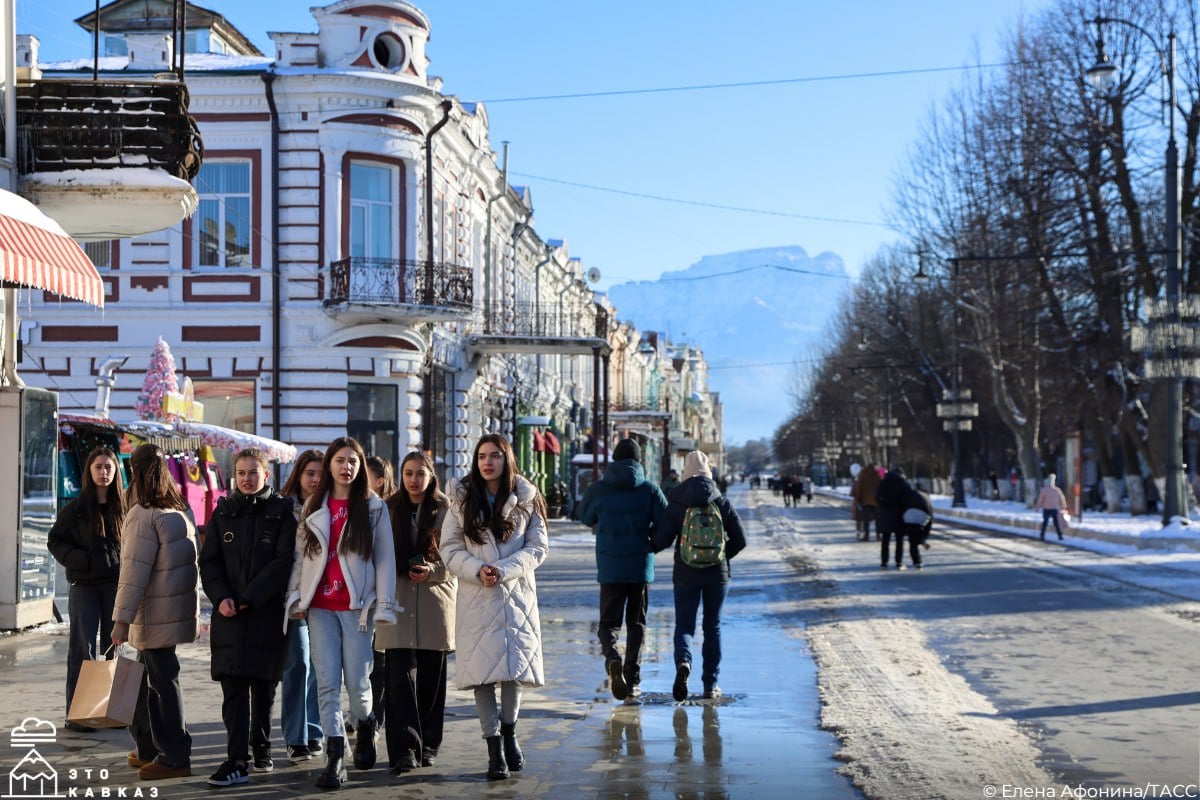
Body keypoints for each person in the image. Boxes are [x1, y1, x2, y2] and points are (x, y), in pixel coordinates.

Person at [286, 436, 397, 790]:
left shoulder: (374, 508)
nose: (346, 467)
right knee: (327, 684)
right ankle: (335, 757)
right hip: (319, 608)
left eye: (352, 461)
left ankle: (365, 724)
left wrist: (385, 604)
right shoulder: (313, 507)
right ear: (330, 464)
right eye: (340, 460)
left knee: (358, 686)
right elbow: (301, 558)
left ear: (359, 466)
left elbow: (384, 559)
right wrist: (295, 597)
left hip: (357, 610)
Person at [441, 434, 549, 781]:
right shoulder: (460, 498)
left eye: (495, 456)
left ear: (507, 459)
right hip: (476, 596)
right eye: (482, 455)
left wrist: (503, 570)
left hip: (515, 594)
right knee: (482, 677)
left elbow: (538, 548)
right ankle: (492, 748)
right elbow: (449, 547)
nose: (488, 462)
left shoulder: (527, 498)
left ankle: (510, 732)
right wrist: (476, 569)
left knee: (514, 670)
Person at [199, 448, 297, 787]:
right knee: (234, 689)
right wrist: (221, 597)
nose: (246, 478)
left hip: (265, 614)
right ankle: (237, 758)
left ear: (266, 475)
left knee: (263, 687)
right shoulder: (224, 512)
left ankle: (262, 747)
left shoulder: (283, 512)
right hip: (229, 615)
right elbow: (209, 561)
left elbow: (283, 563)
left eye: (253, 472)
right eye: (241, 472)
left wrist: (248, 597)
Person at [111, 443, 200, 781]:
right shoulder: (178, 512)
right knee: (150, 681)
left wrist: (121, 622)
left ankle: (174, 756)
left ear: (132, 472)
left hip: (152, 616)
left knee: (161, 683)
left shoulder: (142, 514)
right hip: (172, 613)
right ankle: (150, 748)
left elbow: (133, 574)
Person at [375, 451, 454, 774]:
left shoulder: (446, 509)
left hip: (435, 601)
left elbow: (456, 554)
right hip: (397, 600)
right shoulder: (388, 508)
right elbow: (377, 552)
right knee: (398, 680)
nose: (413, 479)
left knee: (432, 681)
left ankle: (429, 744)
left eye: (419, 473)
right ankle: (404, 749)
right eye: (408, 473)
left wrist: (433, 570)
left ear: (430, 475)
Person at [652, 450, 746, 702]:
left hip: (685, 571)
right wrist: (722, 556)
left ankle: (684, 663)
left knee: (684, 625)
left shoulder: (677, 501)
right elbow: (741, 539)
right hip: (717, 574)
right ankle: (710, 685)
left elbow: (660, 540)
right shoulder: (720, 500)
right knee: (712, 627)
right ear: (709, 472)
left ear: (685, 471)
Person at [578, 438, 668, 702]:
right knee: (636, 623)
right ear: (639, 461)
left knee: (608, 623)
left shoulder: (599, 490)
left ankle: (613, 658)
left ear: (614, 460)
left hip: (610, 565)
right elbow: (667, 524)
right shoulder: (650, 490)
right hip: (640, 566)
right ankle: (633, 679)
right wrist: (652, 544)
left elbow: (584, 517)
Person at [48, 446, 126, 733]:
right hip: (84, 587)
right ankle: (79, 714)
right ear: (89, 471)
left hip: (115, 587)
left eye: (108, 467)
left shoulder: (125, 506)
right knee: (83, 648)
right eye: (98, 467)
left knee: (114, 646)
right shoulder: (77, 508)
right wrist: (82, 560)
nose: (103, 472)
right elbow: (55, 540)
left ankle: (113, 710)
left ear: (116, 471)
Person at [278, 449, 325, 764]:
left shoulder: (331, 507)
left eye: (320, 474)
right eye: (310, 473)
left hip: (326, 598)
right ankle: (296, 736)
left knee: (321, 669)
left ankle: (314, 730)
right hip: (294, 599)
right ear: (299, 475)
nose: (315, 479)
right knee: (299, 664)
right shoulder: (284, 509)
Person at [364, 454, 396, 730]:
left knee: (380, 663)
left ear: (380, 482)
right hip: (362, 600)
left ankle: (375, 717)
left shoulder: (388, 511)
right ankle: (364, 714)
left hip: (386, 599)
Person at [875, 465, 912, 569]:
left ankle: (884, 561)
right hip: (899, 515)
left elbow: (877, 496)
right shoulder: (904, 484)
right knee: (899, 540)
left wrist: (883, 506)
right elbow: (909, 499)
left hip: (884, 514)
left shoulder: (883, 483)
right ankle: (899, 561)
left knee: (885, 539)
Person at [899, 485, 934, 570]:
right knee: (919, 530)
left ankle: (917, 562)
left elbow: (902, 507)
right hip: (923, 515)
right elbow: (930, 517)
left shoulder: (910, 495)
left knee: (912, 542)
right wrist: (925, 536)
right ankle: (922, 540)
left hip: (909, 514)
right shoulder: (926, 498)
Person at [850, 463, 881, 541]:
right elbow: (881, 487)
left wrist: (858, 499)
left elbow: (859, 489)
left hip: (866, 501)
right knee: (878, 520)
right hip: (876, 501)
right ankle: (878, 536)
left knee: (866, 520)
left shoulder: (862, 476)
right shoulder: (878, 476)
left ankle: (866, 536)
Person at [1035, 474, 1069, 541]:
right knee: (1056, 523)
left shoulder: (1044, 490)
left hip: (1047, 509)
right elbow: (1062, 499)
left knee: (1045, 522)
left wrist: (1038, 507)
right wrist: (1064, 507)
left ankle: (1042, 535)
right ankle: (1060, 536)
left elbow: (1040, 500)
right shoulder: (1057, 490)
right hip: (1054, 509)